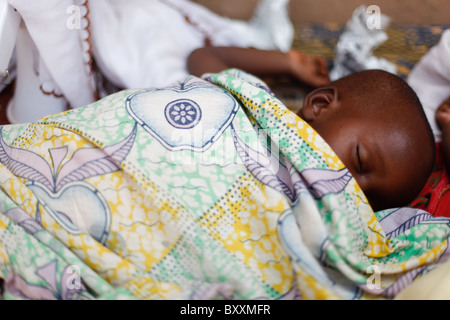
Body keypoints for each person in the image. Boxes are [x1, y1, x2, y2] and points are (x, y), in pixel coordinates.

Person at [188, 47, 436, 212]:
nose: (354, 192)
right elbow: (202, 57)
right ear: (319, 106)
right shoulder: (256, 106)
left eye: (371, 204)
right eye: (360, 161)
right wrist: (287, 63)